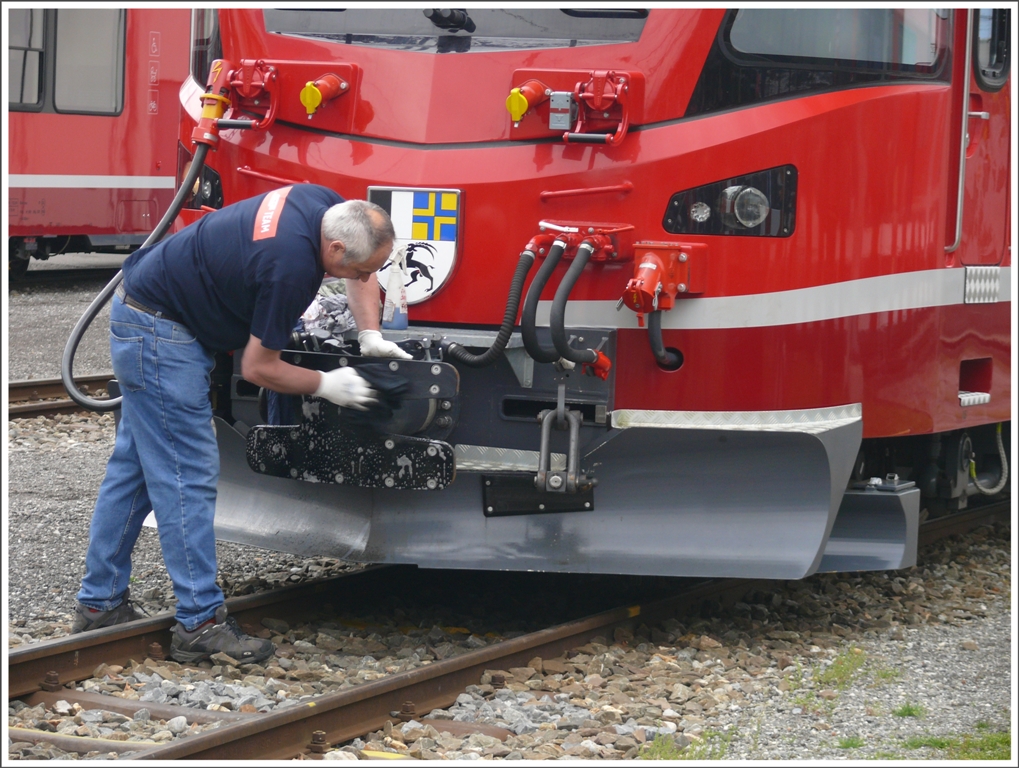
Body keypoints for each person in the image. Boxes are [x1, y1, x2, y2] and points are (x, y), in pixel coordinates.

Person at [72, 184, 411, 665]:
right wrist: (326, 384)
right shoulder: (290, 268)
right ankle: (199, 624)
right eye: (359, 270)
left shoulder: (327, 207)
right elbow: (258, 368)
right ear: (334, 248)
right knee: (187, 475)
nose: (364, 278)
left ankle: (98, 603)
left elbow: (359, 264)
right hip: (161, 332)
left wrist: (369, 332)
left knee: (135, 470)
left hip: (150, 308)